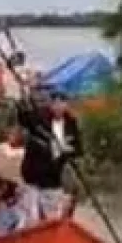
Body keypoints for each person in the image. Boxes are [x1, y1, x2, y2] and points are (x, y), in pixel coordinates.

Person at [15, 85, 84, 222]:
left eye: (61, 101)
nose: (58, 105)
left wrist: (68, 151)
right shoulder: (39, 118)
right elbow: (24, 118)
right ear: (50, 103)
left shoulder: (71, 123)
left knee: (53, 219)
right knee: (31, 220)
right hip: (32, 178)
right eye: (55, 101)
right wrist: (23, 97)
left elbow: (79, 150)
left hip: (52, 180)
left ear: (67, 104)